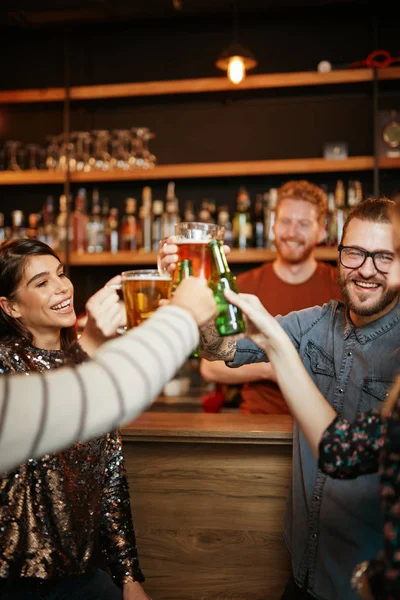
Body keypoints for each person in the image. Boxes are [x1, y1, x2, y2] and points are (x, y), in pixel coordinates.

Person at [200, 197, 400, 600]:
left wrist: (276, 348)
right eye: (355, 253)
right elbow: (218, 348)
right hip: (303, 570)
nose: (366, 269)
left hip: (367, 583)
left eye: (384, 257)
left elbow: (339, 450)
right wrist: (196, 276)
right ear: (339, 253)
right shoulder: (313, 322)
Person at [0, 238, 148, 600]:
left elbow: (110, 478)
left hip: (82, 576)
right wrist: (91, 346)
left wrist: (129, 578)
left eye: (61, 274)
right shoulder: (5, 365)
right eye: (42, 282)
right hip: (14, 581)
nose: (62, 286)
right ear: (11, 307)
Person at [159, 180, 341, 414]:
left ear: (322, 230)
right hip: (256, 426)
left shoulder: (340, 287)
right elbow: (211, 367)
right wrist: (272, 367)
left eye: (303, 224)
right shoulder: (243, 287)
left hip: (325, 426)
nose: (292, 232)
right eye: (285, 221)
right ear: (273, 226)